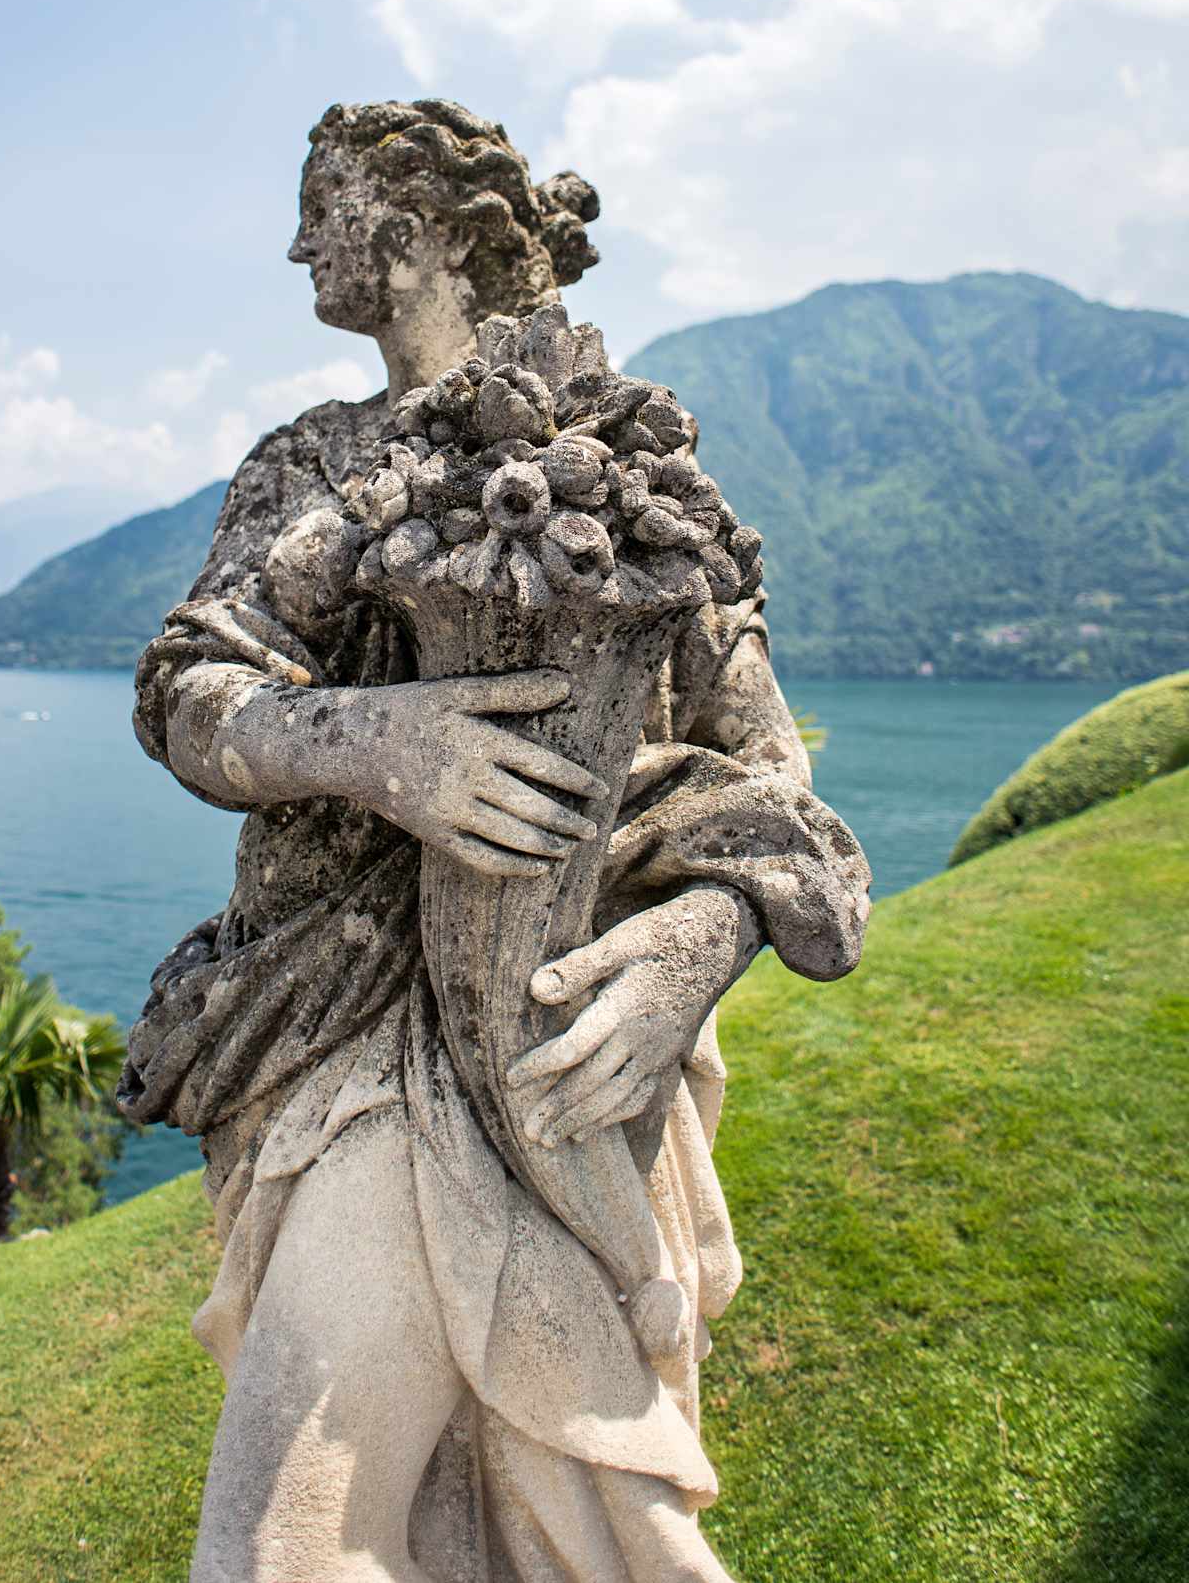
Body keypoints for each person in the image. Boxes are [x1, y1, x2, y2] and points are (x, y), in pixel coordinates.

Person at [121, 99, 870, 1583]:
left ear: (412, 229)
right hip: (356, 1041)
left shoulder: (628, 457)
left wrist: (692, 948)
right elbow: (188, 690)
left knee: (547, 1536)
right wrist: (384, 747)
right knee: (291, 1533)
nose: (295, 244)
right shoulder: (316, 464)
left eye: (320, 206)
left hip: (559, 1042)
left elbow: (779, 781)